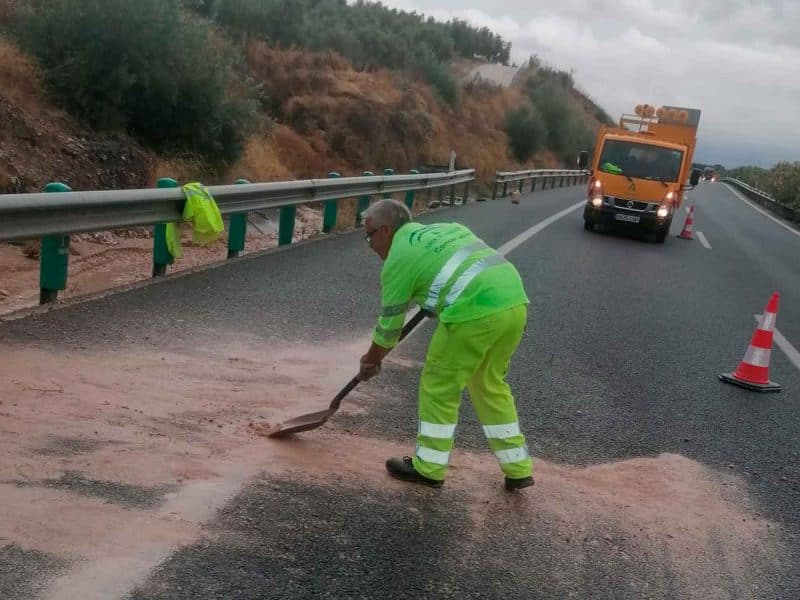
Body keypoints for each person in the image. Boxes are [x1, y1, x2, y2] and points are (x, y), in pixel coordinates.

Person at [358, 199, 534, 491]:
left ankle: (429, 467)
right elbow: (453, 270)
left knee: (439, 384)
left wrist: (371, 360)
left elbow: (389, 328)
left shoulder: (398, 259)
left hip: (474, 312)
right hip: (514, 301)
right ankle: (518, 468)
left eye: (369, 235)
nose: (369, 244)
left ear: (386, 230)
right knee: (489, 383)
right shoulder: (445, 229)